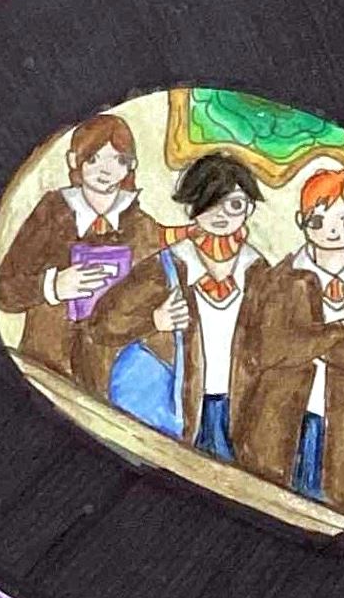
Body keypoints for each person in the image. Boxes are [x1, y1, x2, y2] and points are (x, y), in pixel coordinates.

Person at [90, 154, 270, 462]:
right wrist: (153, 320)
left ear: (249, 209)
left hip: (237, 408)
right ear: (189, 207)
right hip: (180, 407)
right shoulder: (168, 264)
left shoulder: (258, 271)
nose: (221, 214)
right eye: (209, 203)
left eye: (234, 204)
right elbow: (103, 324)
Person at [235, 169, 344, 518]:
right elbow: (271, 347)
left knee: (335, 507)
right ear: (302, 221)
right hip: (281, 410)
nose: (333, 231)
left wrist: (306, 342)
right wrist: (337, 331)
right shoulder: (282, 279)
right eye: (320, 220)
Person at [0, 114, 162, 393]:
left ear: (131, 166)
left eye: (118, 160)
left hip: (108, 381)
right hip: (44, 370)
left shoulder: (141, 227)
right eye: (94, 158)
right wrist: (52, 286)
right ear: (74, 160)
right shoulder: (52, 213)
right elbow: (4, 291)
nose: (105, 169)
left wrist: (151, 319)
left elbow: (156, 294)